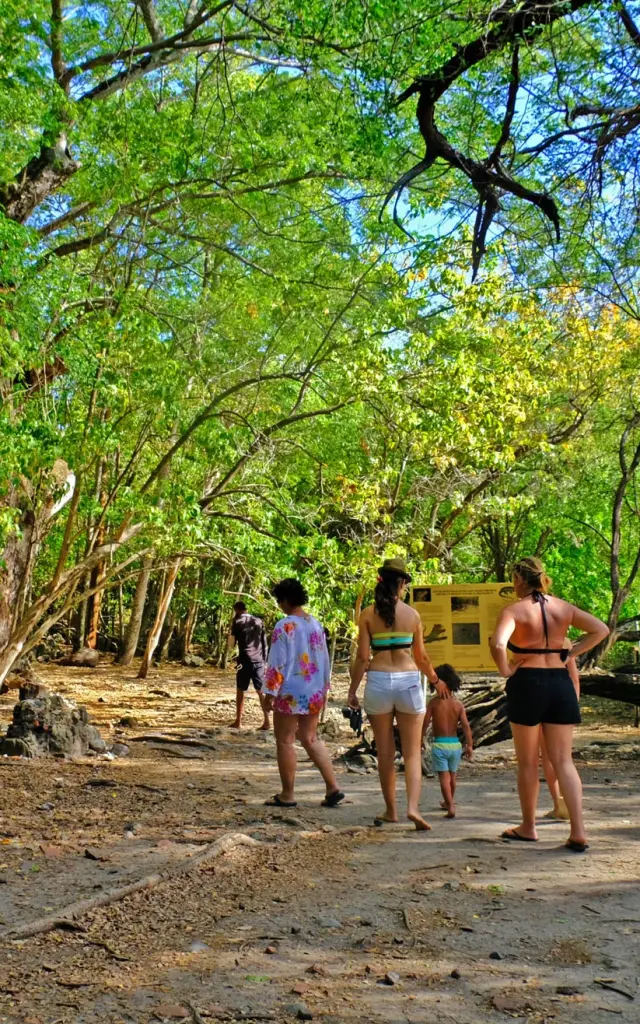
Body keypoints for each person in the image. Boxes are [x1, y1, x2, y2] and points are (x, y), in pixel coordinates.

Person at [490, 556, 609, 852]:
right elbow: (601, 630)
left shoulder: (514, 610)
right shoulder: (563, 607)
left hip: (528, 683)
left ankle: (528, 827)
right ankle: (578, 830)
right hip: (559, 684)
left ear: (519, 578)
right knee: (563, 761)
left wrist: (506, 670)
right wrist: (570, 653)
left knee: (528, 761)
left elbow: (497, 644)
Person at [349, 557, 450, 831]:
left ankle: (391, 810)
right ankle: (413, 808)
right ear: (403, 583)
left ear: (381, 580)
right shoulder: (413, 616)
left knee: (385, 751)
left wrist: (352, 689)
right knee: (412, 752)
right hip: (408, 681)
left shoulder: (368, 615)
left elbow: (361, 657)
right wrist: (436, 680)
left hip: (379, 681)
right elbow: (422, 657)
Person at [262, 578, 344, 809]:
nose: (279, 604)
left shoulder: (285, 625)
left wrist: (270, 691)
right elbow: (324, 659)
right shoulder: (315, 623)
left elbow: (278, 661)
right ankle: (333, 787)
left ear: (286, 600)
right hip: (314, 689)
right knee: (310, 738)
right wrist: (325, 688)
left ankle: (287, 794)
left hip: (290, 689)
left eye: (279, 600)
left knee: (285, 740)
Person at [423, 663, 473, 818]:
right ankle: (448, 801)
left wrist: (420, 740)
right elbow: (465, 726)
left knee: (443, 777)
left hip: (439, 744)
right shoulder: (458, 704)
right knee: (452, 776)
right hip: (455, 745)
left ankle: (450, 805)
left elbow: (425, 724)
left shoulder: (434, 703)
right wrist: (469, 745)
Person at [540, 641, 581, 820]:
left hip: (539, 696)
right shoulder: (564, 641)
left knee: (548, 757)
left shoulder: (531, 637)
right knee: (565, 759)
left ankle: (558, 804)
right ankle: (571, 809)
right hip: (564, 699)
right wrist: (573, 705)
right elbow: (574, 678)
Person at [228, 601, 270, 731]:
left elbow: (231, 644)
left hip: (244, 660)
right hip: (259, 660)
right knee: (260, 691)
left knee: (241, 690)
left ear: (237, 610)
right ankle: (267, 721)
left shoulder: (237, 621)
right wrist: (265, 662)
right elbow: (264, 644)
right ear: (246, 609)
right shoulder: (259, 621)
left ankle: (238, 721)